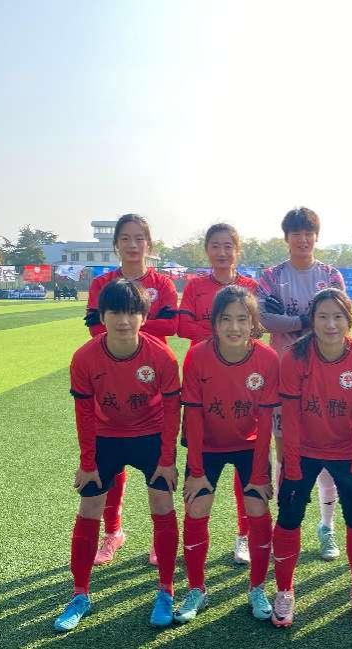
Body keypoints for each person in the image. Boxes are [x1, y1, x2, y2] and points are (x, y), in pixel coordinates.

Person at [54, 279, 180, 632]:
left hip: (150, 436)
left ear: (144, 316)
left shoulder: (162, 356)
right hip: (106, 438)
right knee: (88, 507)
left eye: (131, 312)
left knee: (162, 504)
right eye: (114, 312)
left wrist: (167, 460)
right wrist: (87, 464)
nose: (123, 321)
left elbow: (173, 412)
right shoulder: (84, 357)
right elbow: (84, 414)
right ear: (102, 316)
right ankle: (80, 594)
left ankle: (166, 590)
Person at [270, 289, 352, 628]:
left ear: (349, 320)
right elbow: (290, 417)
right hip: (304, 450)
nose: (331, 324)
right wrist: (292, 462)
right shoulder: (294, 357)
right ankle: (285, 591)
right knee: (289, 518)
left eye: (338, 317)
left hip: (347, 452)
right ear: (312, 320)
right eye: (322, 317)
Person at [175, 286, 280, 623]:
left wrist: (260, 475)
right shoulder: (198, 356)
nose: (234, 327)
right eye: (226, 319)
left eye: (242, 319)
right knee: (197, 505)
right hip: (208, 445)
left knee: (257, 506)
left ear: (254, 323)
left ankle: (257, 587)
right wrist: (196, 471)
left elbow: (265, 422)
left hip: (250, 444)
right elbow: (192, 417)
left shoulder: (267, 359)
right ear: (214, 323)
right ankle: (196, 589)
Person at [84, 214, 179, 567]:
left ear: (149, 244)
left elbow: (173, 324)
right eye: (125, 238)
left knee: (158, 469)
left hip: (152, 381)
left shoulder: (162, 283)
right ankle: (113, 533)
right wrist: (137, 325)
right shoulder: (102, 283)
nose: (133, 244)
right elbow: (94, 328)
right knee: (113, 466)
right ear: (116, 244)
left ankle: (159, 539)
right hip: (110, 380)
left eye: (140, 238)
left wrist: (129, 326)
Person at [257, 207, 346, 560]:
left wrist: (292, 320)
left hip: (326, 377)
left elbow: (339, 320)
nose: (303, 239)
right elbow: (264, 318)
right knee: (286, 453)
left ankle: (327, 526)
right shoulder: (271, 275)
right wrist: (308, 320)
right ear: (286, 238)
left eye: (308, 233)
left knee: (327, 454)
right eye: (296, 233)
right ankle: (286, 524)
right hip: (284, 376)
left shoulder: (331, 275)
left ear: (316, 236)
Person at [177, 223, 260, 565]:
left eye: (228, 246)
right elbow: (182, 326)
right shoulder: (195, 286)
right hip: (204, 380)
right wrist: (221, 336)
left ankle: (244, 536)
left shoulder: (251, 287)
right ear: (207, 250)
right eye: (215, 245)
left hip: (243, 382)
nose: (222, 252)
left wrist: (227, 335)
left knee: (246, 475)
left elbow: (257, 330)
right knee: (200, 465)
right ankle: (193, 541)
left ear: (237, 250)